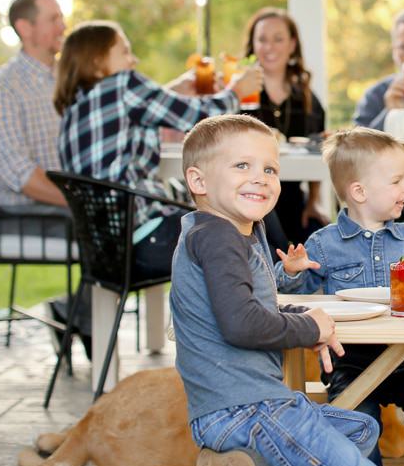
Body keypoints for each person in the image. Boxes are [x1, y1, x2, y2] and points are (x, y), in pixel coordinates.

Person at [170, 114, 391, 466]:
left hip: (235, 410)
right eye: (242, 166)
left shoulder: (227, 231)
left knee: (361, 429)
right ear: (198, 181)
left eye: (270, 168)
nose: (261, 178)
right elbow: (241, 324)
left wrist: (305, 317)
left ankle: (231, 465)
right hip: (249, 409)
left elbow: (249, 304)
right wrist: (308, 327)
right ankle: (241, 458)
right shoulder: (219, 238)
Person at [275, 126, 404, 466]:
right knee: (357, 422)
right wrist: (292, 272)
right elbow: (293, 297)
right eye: (397, 180)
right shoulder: (322, 243)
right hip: (349, 358)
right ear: (359, 192)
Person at [54, 20, 262, 283]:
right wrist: (237, 91)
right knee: (248, 213)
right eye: (125, 52)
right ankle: (280, 298)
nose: (134, 60)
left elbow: (141, 112)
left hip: (106, 254)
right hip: (149, 240)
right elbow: (199, 116)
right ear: (97, 60)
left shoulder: (74, 109)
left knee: (233, 211)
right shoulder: (123, 84)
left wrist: (173, 91)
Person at [240, 7, 328, 248]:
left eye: (278, 39)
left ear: (292, 44)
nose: (270, 47)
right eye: (262, 39)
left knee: (321, 236)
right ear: (253, 45)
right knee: (276, 244)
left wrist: (313, 203)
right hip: (250, 196)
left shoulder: (307, 97)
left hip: (292, 199)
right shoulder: (239, 93)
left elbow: (316, 149)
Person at [0, 0, 67, 209]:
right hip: (29, 215)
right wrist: (83, 205)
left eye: (61, 18)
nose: (62, 27)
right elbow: (21, 173)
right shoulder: (0, 88)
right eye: (53, 19)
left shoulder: (68, 80)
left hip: (68, 211)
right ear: (25, 28)